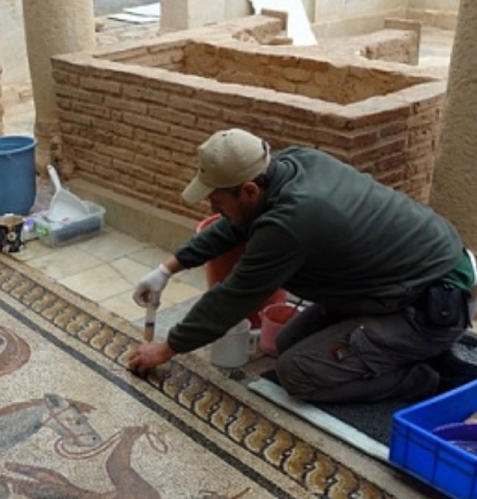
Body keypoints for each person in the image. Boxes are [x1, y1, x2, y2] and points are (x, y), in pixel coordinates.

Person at [129, 128, 476, 403]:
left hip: (432, 307)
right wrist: (167, 269)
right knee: (288, 340)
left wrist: (166, 348)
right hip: (399, 284)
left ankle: (424, 376)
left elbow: (233, 297)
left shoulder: (291, 222)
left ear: (249, 190)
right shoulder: (293, 163)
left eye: (217, 200)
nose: (213, 207)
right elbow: (232, 226)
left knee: (298, 374)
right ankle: (394, 352)